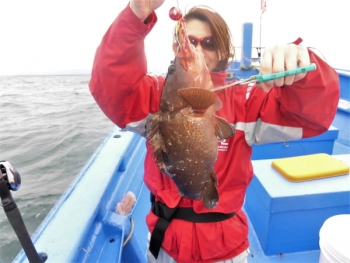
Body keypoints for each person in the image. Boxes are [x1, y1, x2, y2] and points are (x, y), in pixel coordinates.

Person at [89, 1, 340, 262]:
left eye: (208, 43)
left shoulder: (246, 99)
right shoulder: (155, 95)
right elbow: (111, 87)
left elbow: (312, 116)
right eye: (190, 41)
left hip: (225, 246)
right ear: (177, 48)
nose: (197, 49)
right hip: (165, 243)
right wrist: (135, 15)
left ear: (222, 51)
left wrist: (305, 69)